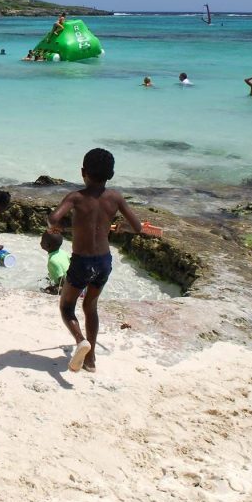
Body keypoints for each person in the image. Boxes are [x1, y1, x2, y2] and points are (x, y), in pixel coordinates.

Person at [45, 148, 154, 372]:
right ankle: (91, 360)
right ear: (111, 175)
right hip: (104, 262)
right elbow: (137, 227)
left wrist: (60, 227)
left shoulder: (76, 197)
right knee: (90, 305)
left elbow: (53, 218)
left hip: (82, 262)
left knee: (67, 307)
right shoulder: (115, 197)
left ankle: (80, 341)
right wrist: (121, 227)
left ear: (82, 172)